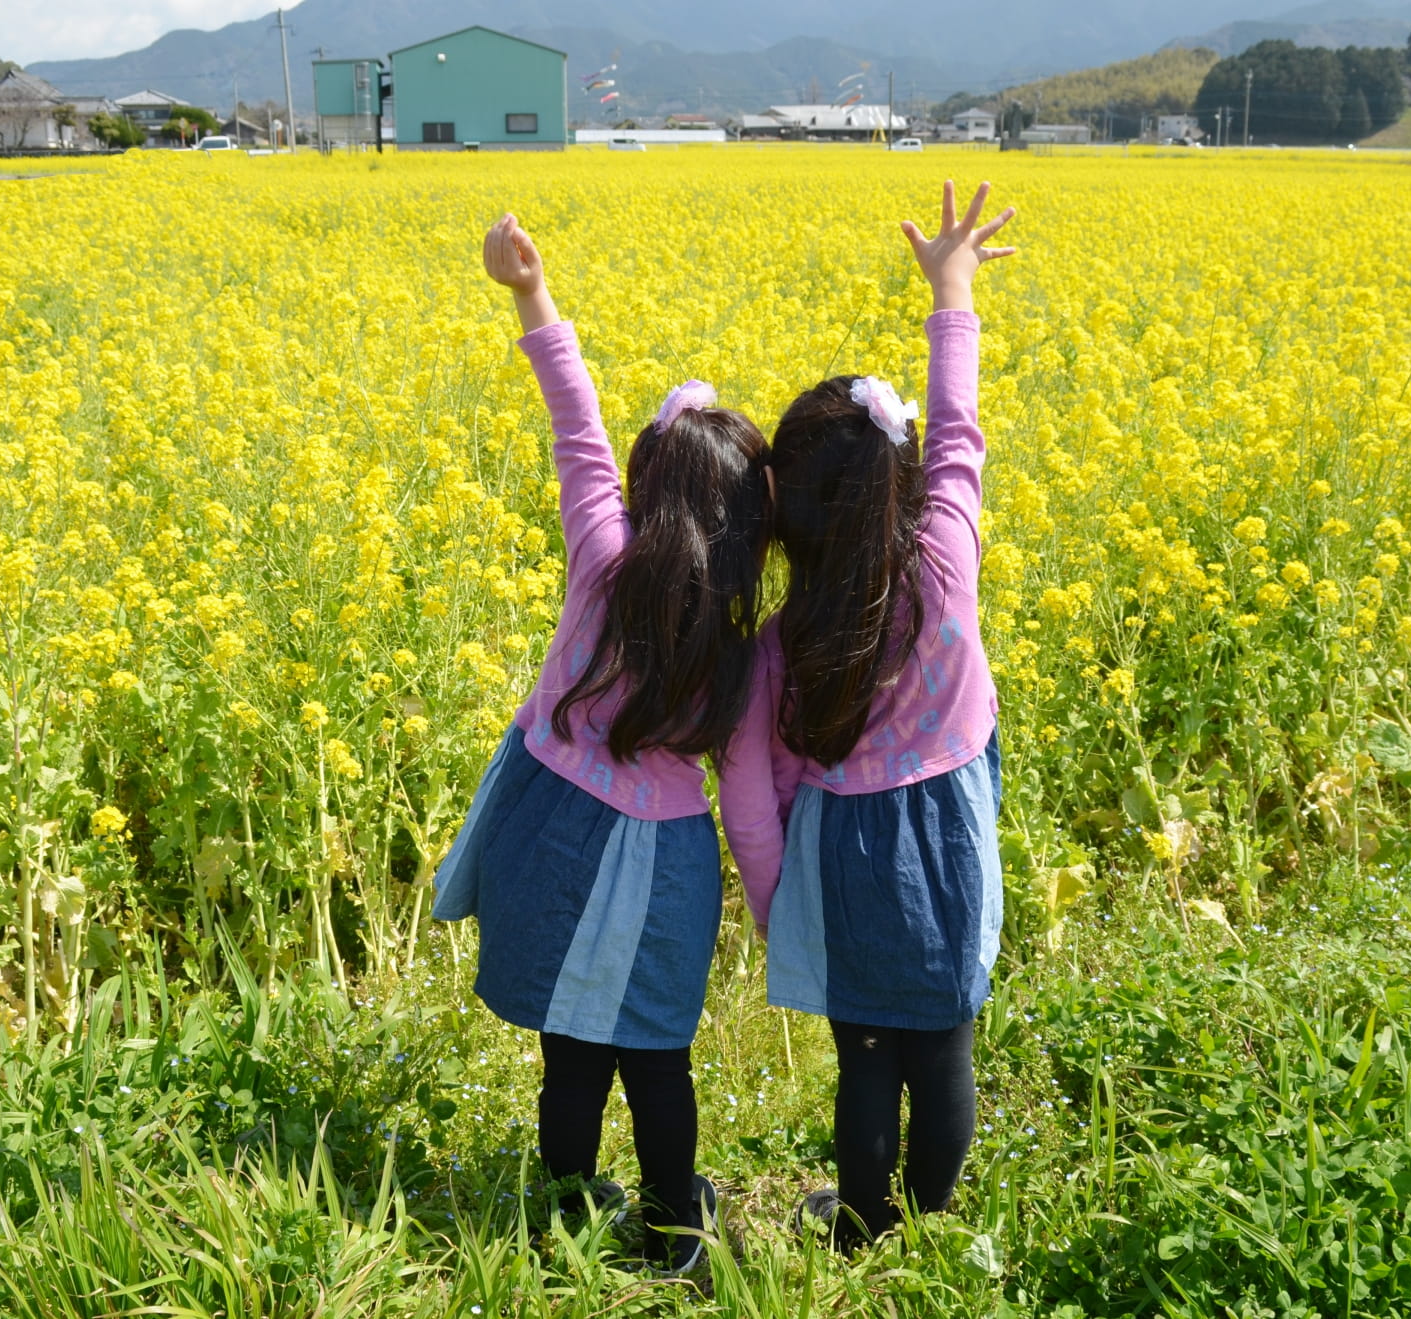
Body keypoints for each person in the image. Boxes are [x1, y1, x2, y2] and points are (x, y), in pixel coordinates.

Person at [433, 213, 773, 1275]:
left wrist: (531, 293)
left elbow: (574, 423)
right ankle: (675, 1223)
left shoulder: (603, 560)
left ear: (646, 482)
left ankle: (562, 1223)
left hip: (556, 834)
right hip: (667, 859)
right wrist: (778, 911)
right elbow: (753, 794)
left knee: (571, 1056)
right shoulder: (742, 642)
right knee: (657, 1054)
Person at [720, 180, 1016, 1250]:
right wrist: (952, 288)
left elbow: (754, 802)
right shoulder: (946, 570)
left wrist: (778, 909)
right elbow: (961, 435)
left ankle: (857, 1223)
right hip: (945, 843)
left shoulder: (779, 646)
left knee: (867, 1063)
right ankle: (932, 1221)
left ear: (784, 526)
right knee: (944, 1051)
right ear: (902, 483)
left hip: (839, 865)